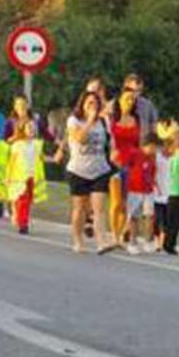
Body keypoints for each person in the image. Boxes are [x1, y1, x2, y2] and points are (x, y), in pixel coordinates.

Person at [66, 91, 114, 254]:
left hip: (100, 169)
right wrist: (89, 121)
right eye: (89, 103)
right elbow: (79, 139)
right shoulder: (74, 121)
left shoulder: (103, 121)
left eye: (95, 103)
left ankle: (101, 241)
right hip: (78, 170)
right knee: (79, 208)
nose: (92, 106)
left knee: (99, 207)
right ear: (82, 104)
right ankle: (78, 240)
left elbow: (109, 143)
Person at [4, 120, 48, 235]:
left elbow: (41, 158)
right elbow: (11, 162)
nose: (32, 129)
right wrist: (8, 177)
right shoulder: (17, 145)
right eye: (29, 127)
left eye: (34, 127)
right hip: (20, 177)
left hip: (32, 176)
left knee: (28, 201)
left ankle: (19, 216)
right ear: (23, 130)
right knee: (23, 200)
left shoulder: (37, 145)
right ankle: (23, 224)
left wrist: (54, 158)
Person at [110, 88, 140, 247]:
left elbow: (137, 143)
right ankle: (114, 235)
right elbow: (108, 140)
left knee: (125, 203)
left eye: (132, 100)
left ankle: (121, 235)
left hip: (132, 164)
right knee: (116, 202)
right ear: (119, 100)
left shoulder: (135, 120)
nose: (130, 102)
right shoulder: (112, 120)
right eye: (127, 99)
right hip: (116, 164)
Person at [123, 134, 159, 255]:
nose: (154, 150)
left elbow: (153, 172)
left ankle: (148, 240)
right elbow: (125, 166)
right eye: (153, 147)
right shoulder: (135, 154)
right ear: (146, 145)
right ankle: (133, 242)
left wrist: (154, 184)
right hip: (134, 191)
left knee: (150, 215)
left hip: (148, 191)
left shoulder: (152, 159)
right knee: (134, 217)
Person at [124, 74, 158, 145]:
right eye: (132, 90)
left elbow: (154, 127)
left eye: (138, 91)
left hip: (142, 147)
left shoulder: (148, 106)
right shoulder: (116, 105)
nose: (135, 94)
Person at [152, 135, 172, 251]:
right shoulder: (157, 158)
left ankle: (162, 243)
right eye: (166, 147)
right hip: (157, 194)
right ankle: (156, 240)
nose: (168, 150)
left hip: (169, 194)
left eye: (171, 147)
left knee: (166, 220)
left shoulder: (174, 160)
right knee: (156, 219)